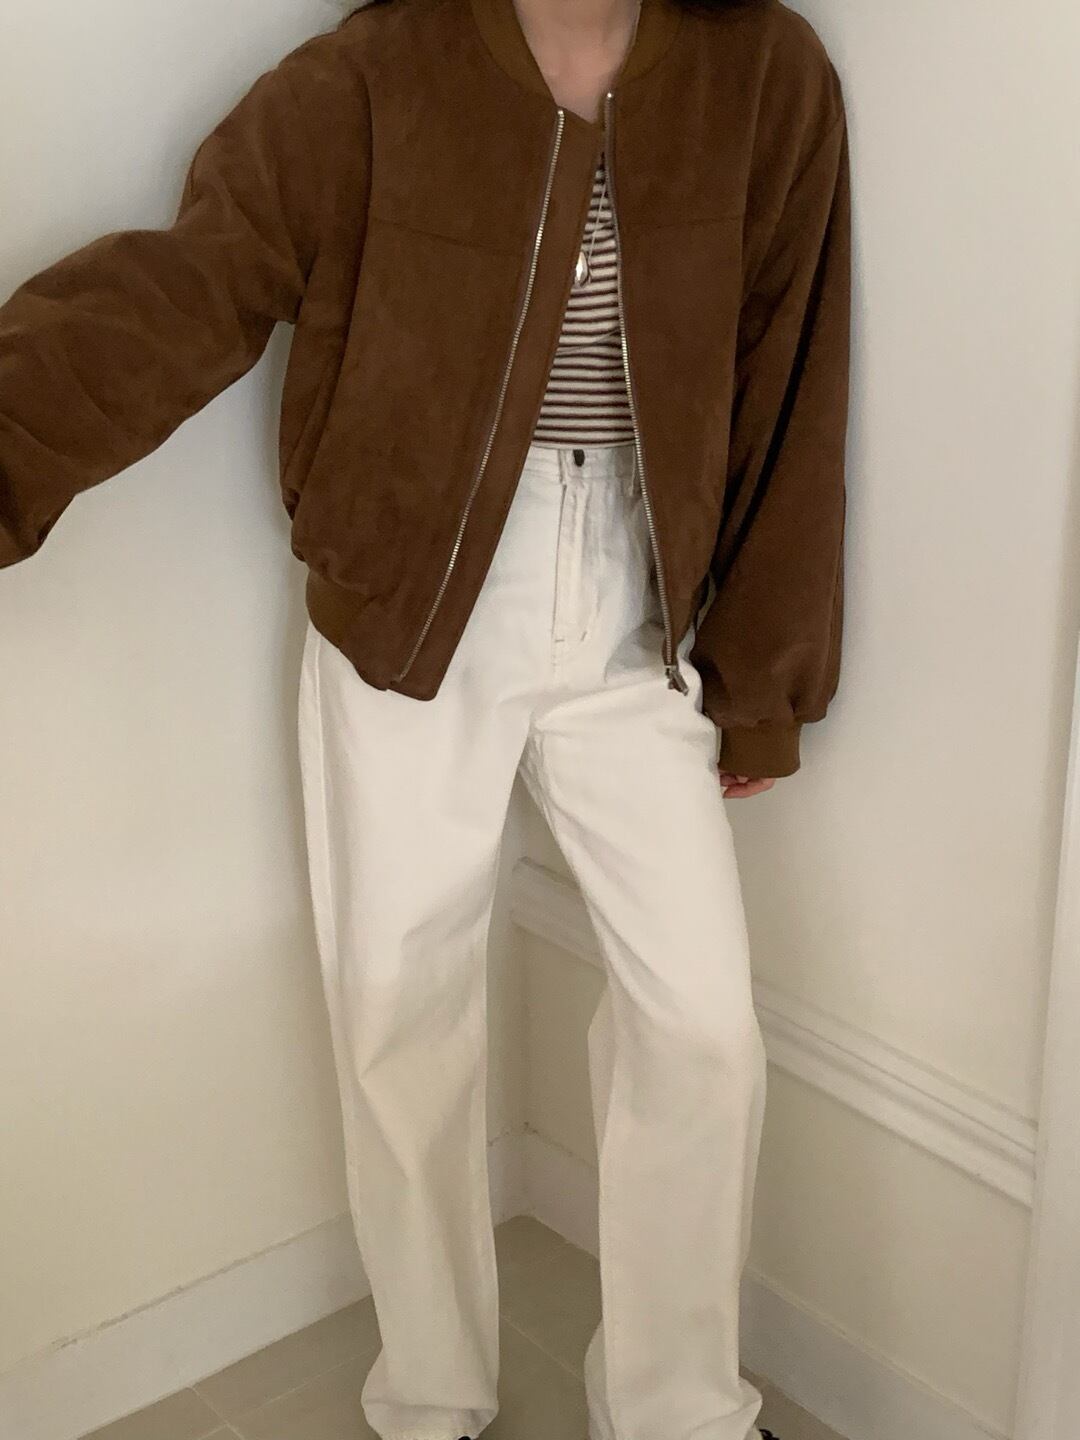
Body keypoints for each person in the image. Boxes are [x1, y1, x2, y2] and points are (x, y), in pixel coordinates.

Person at [0, 0, 850, 1436]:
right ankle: (432, 1397)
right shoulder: (377, 72)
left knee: (703, 1027)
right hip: (409, 615)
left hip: (639, 621)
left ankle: (681, 1409)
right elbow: (186, 285)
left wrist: (765, 686)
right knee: (402, 1020)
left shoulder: (767, 76)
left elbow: (794, 381)